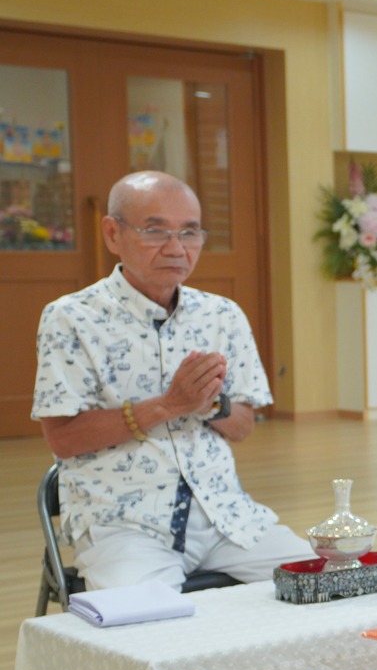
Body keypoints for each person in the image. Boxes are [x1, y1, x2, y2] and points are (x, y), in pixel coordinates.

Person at [32, 171, 310, 590]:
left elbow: (243, 426)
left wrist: (209, 403)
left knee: (329, 584)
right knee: (144, 619)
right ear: (112, 233)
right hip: (123, 523)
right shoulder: (71, 318)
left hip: (226, 517)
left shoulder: (222, 315)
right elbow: (63, 439)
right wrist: (167, 405)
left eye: (190, 232)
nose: (177, 248)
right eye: (155, 231)